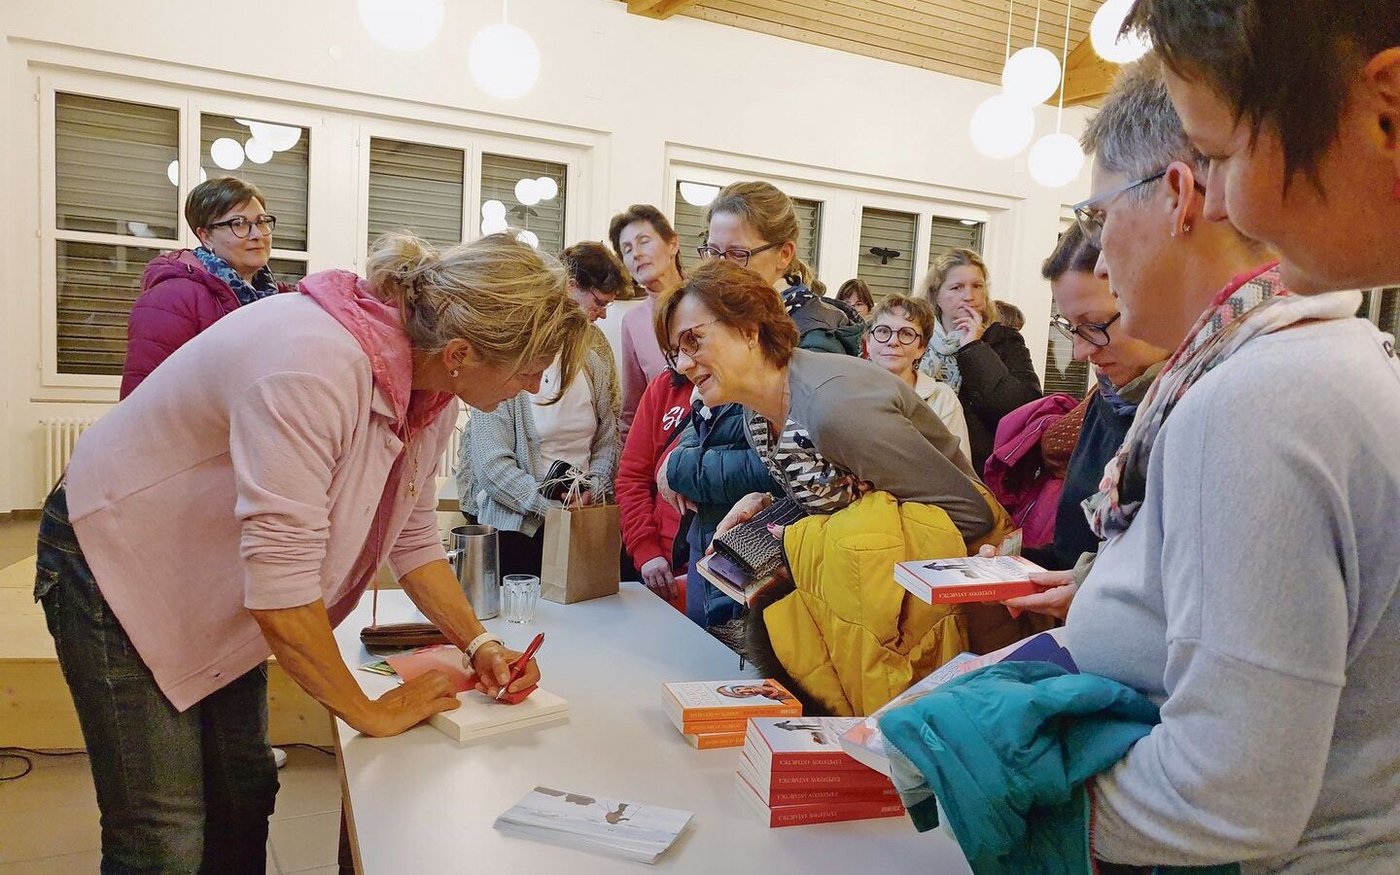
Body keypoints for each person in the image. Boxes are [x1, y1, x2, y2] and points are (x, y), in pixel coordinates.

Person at [34, 231, 584, 871]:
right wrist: (366, 713)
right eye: (528, 367)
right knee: (164, 831)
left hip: (204, 565)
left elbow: (410, 535)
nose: (536, 382)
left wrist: (479, 644)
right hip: (112, 556)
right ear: (461, 351)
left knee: (244, 790)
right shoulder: (314, 364)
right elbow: (281, 587)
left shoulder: (427, 387)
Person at [1049, 56, 1399, 872]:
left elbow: (1224, 796)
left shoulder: (1253, 396)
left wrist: (1002, 778)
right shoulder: (1302, 358)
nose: (1097, 262)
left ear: (1177, 195)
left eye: (1096, 218)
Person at [991, 225, 1170, 567]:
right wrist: (1015, 566)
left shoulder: (1197, 407)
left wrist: (1079, 588)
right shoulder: (1108, 398)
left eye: (1095, 324)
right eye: (1071, 327)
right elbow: (1073, 551)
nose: (1078, 351)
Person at [121, 176, 285, 398]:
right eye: (239, 224)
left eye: (262, 222)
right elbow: (143, 403)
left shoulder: (279, 298)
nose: (257, 235)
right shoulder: (171, 297)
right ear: (205, 236)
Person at [701, 180, 864, 356]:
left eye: (738, 254)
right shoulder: (717, 316)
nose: (721, 266)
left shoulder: (817, 340)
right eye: (713, 251)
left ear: (784, 254)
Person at [919, 248, 1042, 472]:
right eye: (957, 287)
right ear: (936, 295)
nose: (969, 296)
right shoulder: (917, 341)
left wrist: (974, 349)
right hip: (922, 463)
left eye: (977, 286)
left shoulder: (1004, 339)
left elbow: (1024, 411)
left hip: (982, 470)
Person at [615, 366, 693, 612]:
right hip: (662, 569)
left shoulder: (749, 393)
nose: (685, 360)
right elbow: (632, 477)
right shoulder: (665, 387)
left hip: (724, 571)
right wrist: (646, 551)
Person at [864, 294, 973, 463]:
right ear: (868, 343)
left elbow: (959, 472)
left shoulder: (941, 399)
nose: (893, 341)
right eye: (883, 331)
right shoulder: (846, 391)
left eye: (906, 334)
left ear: (921, 348)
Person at [610, 205, 685, 439]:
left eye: (644, 241)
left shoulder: (709, 298)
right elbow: (633, 408)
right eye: (627, 249)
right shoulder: (633, 321)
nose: (636, 254)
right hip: (662, 448)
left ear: (672, 244)